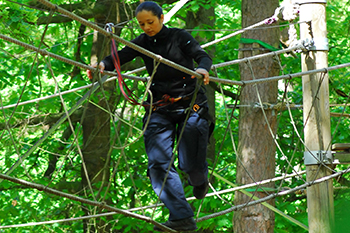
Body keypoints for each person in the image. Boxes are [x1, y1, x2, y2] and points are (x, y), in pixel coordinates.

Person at [87, 1, 212, 231]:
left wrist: (203, 69)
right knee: (158, 164)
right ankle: (181, 217)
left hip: (190, 105)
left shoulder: (179, 37)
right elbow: (120, 56)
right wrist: (103, 65)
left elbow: (201, 55)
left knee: (189, 164)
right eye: (142, 24)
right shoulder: (142, 43)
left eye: (150, 22)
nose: (146, 27)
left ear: (162, 18)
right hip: (159, 108)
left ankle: (200, 179)